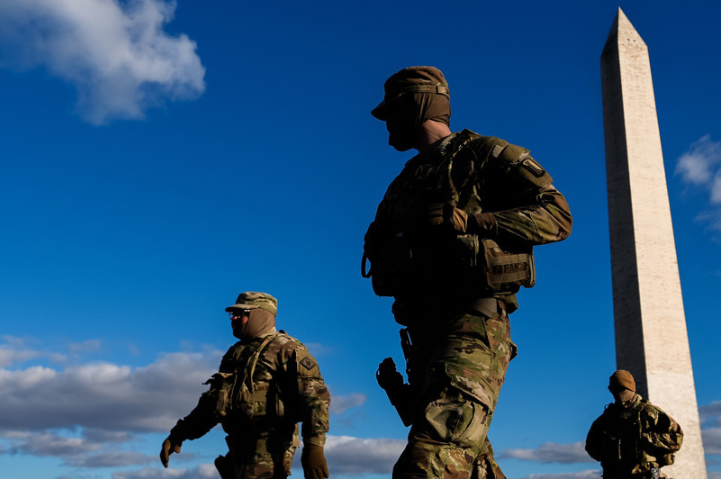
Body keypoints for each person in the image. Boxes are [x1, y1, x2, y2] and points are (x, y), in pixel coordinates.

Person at [362, 66, 573, 479]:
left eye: (392, 113)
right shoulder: (402, 184)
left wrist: (475, 222)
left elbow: (557, 216)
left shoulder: (488, 155)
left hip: (471, 329)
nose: (385, 125)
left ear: (417, 107)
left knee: (432, 463)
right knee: (472, 467)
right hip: (423, 340)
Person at [160, 292, 330, 479]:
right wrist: (179, 433)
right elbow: (213, 403)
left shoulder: (287, 348)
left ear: (260, 314)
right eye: (232, 314)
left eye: (241, 313)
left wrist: (314, 446)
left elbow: (316, 399)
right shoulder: (235, 354)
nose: (234, 318)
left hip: (270, 449)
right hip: (237, 450)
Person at [585, 370, 683, 479]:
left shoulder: (650, 413)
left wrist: (644, 439)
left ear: (631, 388)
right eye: (615, 389)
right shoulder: (607, 418)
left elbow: (676, 438)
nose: (619, 394)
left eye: (622, 389)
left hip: (646, 474)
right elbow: (591, 447)